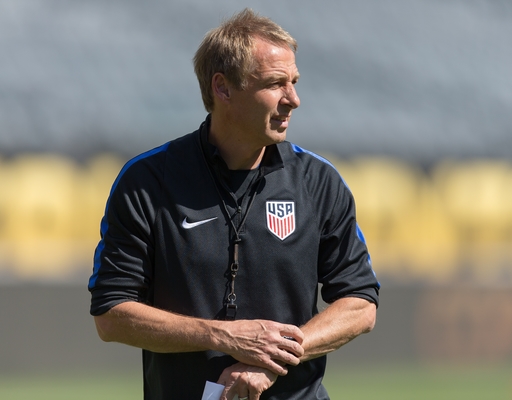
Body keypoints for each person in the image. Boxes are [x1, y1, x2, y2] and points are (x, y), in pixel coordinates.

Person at [88, 8, 379, 400]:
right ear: (223, 88)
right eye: (275, 84)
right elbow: (111, 315)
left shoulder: (318, 181)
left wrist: (271, 358)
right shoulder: (147, 182)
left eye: (294, 82)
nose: (293, 99)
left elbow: (360, 304)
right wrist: (223, 336)